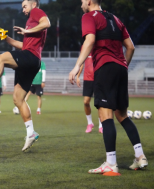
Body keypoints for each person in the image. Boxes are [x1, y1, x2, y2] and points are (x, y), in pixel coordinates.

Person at [69, 0, 148, 176]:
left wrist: (76, 66)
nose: (81, 3)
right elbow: (130, 47)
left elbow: (90, 40)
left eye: (82, 0)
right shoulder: (116, 19)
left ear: (89, 1)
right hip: (121, 68)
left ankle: (111, 163)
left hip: (105, 67)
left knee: (105, 114)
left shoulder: (88, 16)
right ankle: (140, 156)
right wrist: (122, 66)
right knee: (122, 115)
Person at [0, 0, 50, 152]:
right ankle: (31, 133)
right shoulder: (31, 22)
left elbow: (47, 22)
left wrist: (27, 31)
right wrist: (5, 37)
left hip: (30, 57)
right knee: (18, 99)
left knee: (0, 58)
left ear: (33, 4)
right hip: (32, 59)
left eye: (25, 6)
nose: (23, 10)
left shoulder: (36, 12)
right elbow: (23, 45)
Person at [76, 52, 103, 133]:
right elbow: (81, 63)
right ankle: (90, 123)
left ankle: (101, 125)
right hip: (87, 79)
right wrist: (78, 76)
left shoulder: (99, 45)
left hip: (98, 78)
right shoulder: (85, 46)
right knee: (86, 102)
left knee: (99, 103)